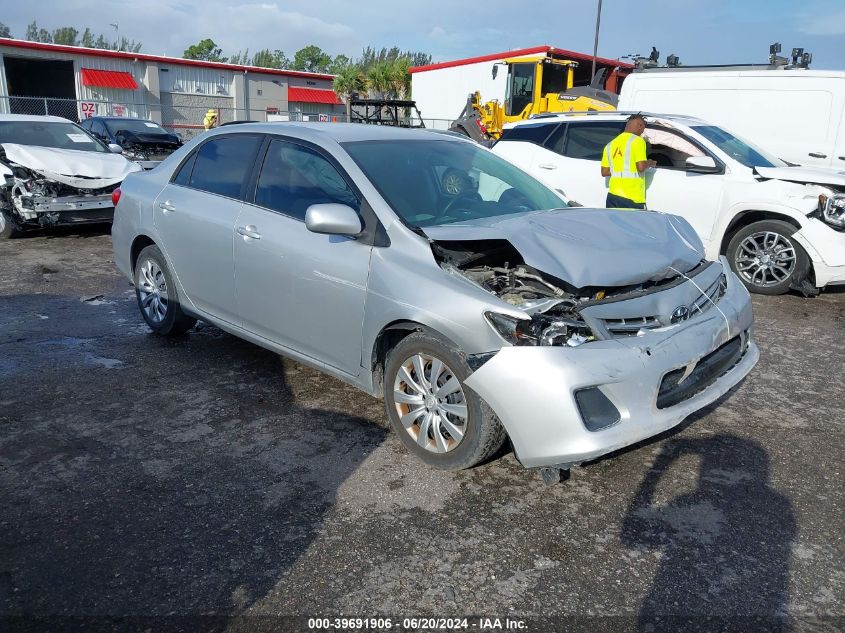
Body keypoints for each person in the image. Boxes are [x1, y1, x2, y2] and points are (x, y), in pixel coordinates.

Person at [600, 113, 657, 209]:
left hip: (613, 195)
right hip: (631, 197)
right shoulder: (638, 141)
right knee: (633, 224)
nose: (643, 131)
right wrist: (650, 162)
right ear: (640, 126)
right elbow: (641, 167)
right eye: (643, 128)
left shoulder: (610, 145)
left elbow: (604, 172)